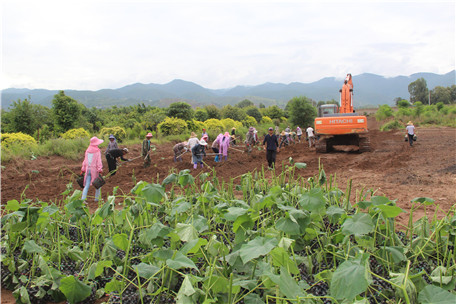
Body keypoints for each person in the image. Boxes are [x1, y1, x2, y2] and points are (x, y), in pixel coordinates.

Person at [81, 137, 104, 202]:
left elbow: (85, 161)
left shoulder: (87, 150)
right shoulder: (97, 151)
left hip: (88, 169)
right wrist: (100, 170)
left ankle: (83, 199)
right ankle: (97, 198)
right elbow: (99, 161)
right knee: (98, 184)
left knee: (86, 185)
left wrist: (83, 169)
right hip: (94, 170)